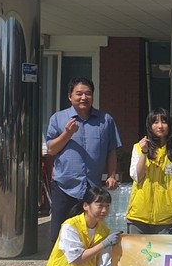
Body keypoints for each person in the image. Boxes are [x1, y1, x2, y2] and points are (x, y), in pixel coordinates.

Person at [46, 76, 122, 243]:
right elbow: (51, 150)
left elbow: (111, 151)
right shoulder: (58, 118)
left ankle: (89, 260)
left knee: (90, 233)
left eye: (88, 93)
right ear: (70, 96)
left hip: (92, 188)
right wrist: (67, 134)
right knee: (59, 235)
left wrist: (111, 175)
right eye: (79, 93)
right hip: (64, 186)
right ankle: (59, 261)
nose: (83, 97)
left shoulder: (105, 120)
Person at [125, 108, 172, 234]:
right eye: (155, 122)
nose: (160, 126)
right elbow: (137, 177)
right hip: (138, 217)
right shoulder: (138, 148)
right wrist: (144, 152)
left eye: (164, 122)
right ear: (149, 126)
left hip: (165, 219)